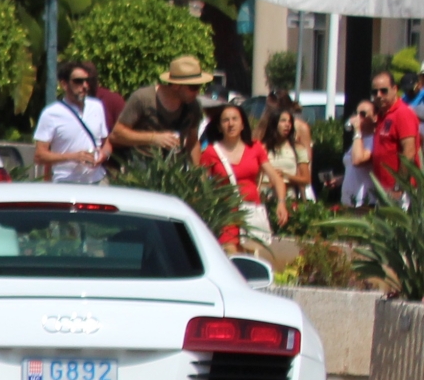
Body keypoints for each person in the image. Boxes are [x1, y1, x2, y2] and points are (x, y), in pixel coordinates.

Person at [109, 54, 213, 168]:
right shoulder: (143, 98)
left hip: (175, 172)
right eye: (194, 87)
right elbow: (116, 134)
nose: (197, 92)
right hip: (142, 170)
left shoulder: (193, 106)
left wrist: (197, 175)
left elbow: (192, 142)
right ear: (176, 85)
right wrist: (154, 138)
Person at [196, 101, 268, 246]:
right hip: (226, 215)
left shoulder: (255, 148)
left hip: (251, 213)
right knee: (231, 254)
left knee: (250, 257)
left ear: (243, 125)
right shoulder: (210, 152)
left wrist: (281, 203)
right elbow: (201, 184)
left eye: (235, 119)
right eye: (226, 120)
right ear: (219, 127)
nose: (231, 124)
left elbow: (274, 177)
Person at [32, 59, 108, 180]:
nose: (85, 86)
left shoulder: (97, 106)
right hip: (66, 183)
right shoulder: (51, 113)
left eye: (87, 81)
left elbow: (106, 142)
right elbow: (39, 156)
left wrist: (104, 155)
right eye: (78, 81)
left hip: (97, 180)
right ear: (64, 84)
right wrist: (74, 157)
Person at [255, 100, 312, 231]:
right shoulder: (262, 147)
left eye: (289, 122)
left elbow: (306, 179)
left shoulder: (298, 149)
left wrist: (286, 175)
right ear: (274, 124)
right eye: (283, 121)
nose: (287, 125)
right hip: (265, 195)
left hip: (288, 197)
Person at [367, 70, 419, 203]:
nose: (378, 95)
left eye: (383, 91)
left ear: (395, 89)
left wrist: (399, 186)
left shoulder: (402, 113)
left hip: (401, 192)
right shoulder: (383, 115)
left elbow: (409, 151)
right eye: (375, 92)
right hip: (384, 191)